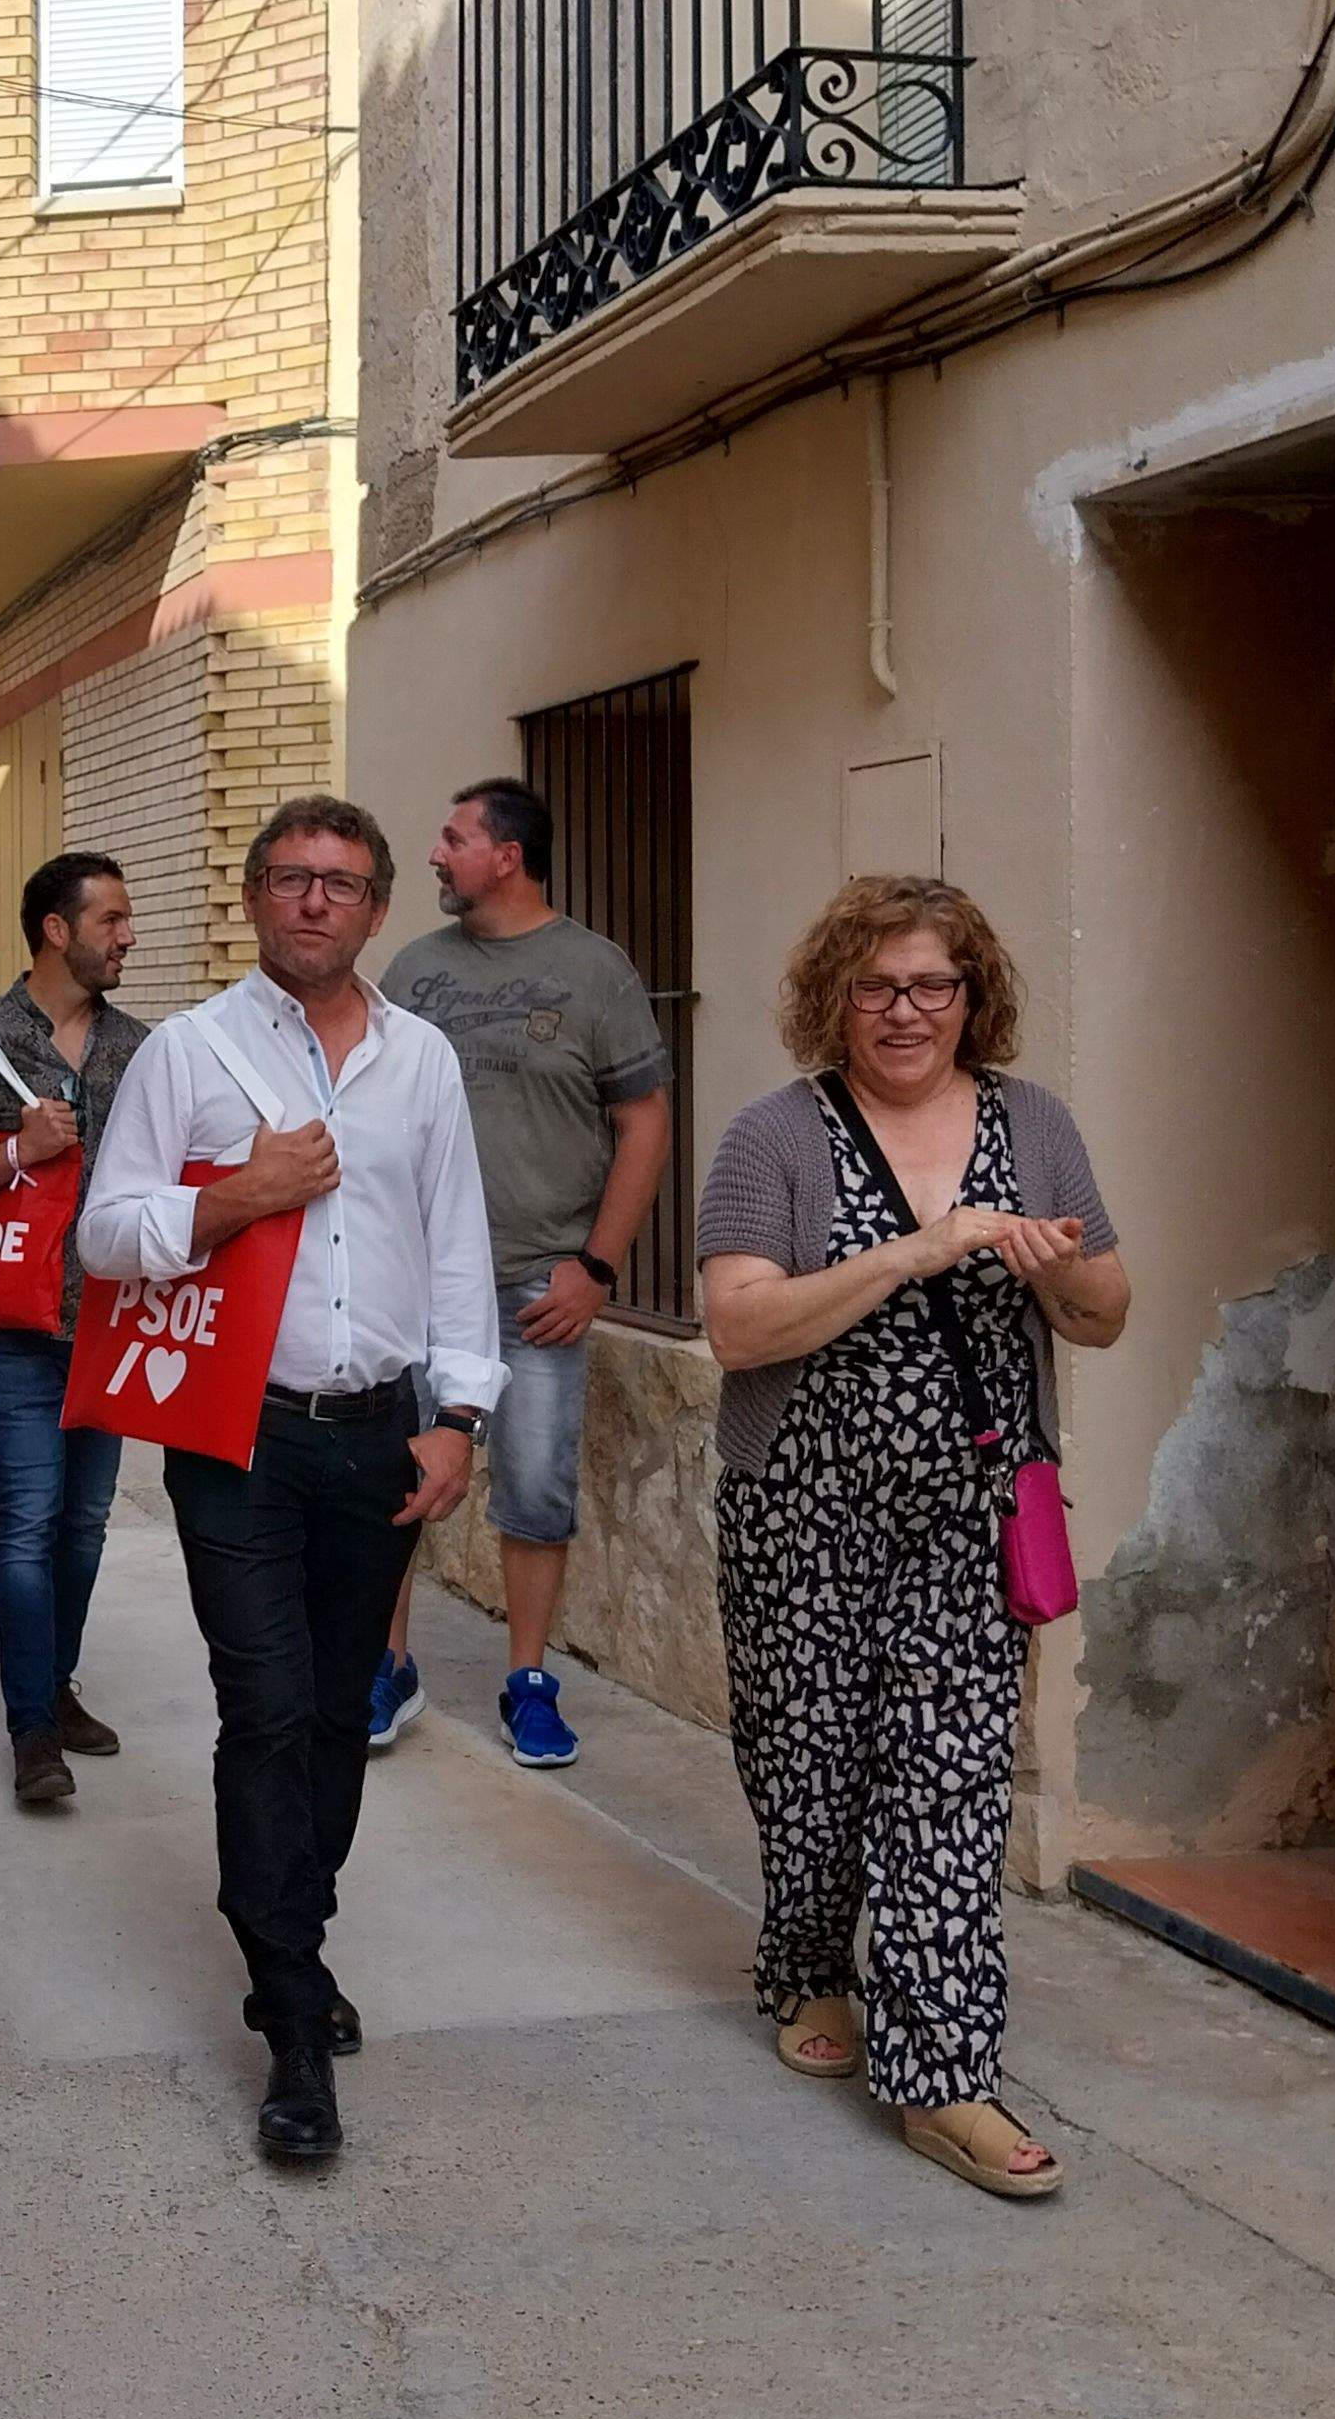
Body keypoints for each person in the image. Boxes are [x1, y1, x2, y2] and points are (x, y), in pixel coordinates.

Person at [76, 796, 497, 2165]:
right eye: (293, 877)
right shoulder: (190, 1053)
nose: (317, 900)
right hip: (235, 1434)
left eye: (344, 882)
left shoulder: (422, 1061)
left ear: (378, 910)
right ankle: (296, 2026)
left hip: (379, 1433)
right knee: (263, 1707)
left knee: (332, 1715)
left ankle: (288, 1947)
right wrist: (235, 1198)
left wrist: (459, 1418)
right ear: (255, 896)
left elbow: (456, 1242)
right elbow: (104, 1235)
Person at [696, 875, 1128, 2202]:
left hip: (969, 1515)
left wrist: (1056, 1267)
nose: (904, 1011)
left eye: (932, 984)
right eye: (876, 986)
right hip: (800, 1507)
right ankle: (807, 1965)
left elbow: (1108, 1312)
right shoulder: (774, 1137)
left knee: (947, 1780)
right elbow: (740, 1327)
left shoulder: (1033, 1124)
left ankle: (945, 2076)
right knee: (810, 1769)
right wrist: (915, 1253)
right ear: (835, 998)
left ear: (970, 995)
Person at [375, 779, 673, 1769]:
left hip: (539, 1283)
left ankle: (529, 1683)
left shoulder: (595, 971)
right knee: (398, 1478)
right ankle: (388, 1665)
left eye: (453, 838)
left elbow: (644, 1125)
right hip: (417, 1281)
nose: (435, 854)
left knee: (537, 1490)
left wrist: (597, 1266)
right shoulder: (415, 971)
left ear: (506, 855)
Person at [0, 851, 147, 1809]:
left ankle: (56, 1687)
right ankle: (31, 1731)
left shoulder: (139, 1049)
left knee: (85, 1526)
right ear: (57, 931)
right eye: (110, 920)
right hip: (15, 1329)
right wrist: (20, 1151)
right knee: (27, 1527)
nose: (127, 937)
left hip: (112, 1325)